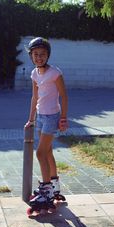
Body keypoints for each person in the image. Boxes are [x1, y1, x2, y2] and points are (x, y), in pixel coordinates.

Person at [24, 37, 68, 208]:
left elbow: (64, 96)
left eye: (42, 54)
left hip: (52, 117)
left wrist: (63, 118)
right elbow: (34, 97)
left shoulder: (55, 73)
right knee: (48, 152)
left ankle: (46, 191)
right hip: (41, 117)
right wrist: (30, 119)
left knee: (40, 153)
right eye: (35, 54)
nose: (39, 57)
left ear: (48, 55)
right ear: (31, 56)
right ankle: (55, 187)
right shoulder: (34, 73)